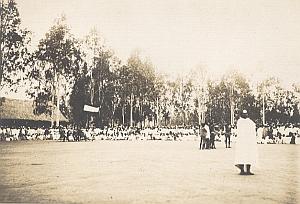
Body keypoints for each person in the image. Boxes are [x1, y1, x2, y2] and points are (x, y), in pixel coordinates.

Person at [234, 110, 257, 175]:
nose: (245, 115)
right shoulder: (240, 121)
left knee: (249, 156)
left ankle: (248, 170)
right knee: (241, 156)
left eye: (246, 113)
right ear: (242, 114)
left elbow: (253, 128)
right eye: (244, 114)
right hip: (241, 142)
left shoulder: (250, 121)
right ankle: (242, 170)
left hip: (248, 142)